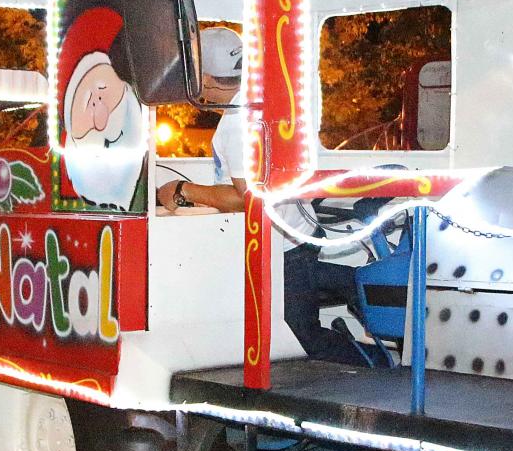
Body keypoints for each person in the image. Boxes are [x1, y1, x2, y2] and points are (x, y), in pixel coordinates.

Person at [153, 27, 364, 364]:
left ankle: (380, 367)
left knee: (301, 338)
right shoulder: (265, 99)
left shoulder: (236, 126)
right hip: (300, 233)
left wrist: (184, 190)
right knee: (304, 302)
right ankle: (357, 285)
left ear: (204, 78)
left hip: (283, 248)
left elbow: (248, 200)